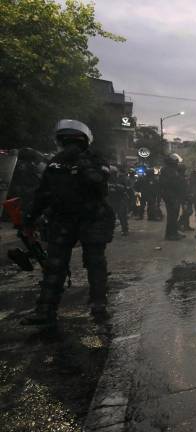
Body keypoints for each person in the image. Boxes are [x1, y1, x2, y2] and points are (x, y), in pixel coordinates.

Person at [20, 119, 114, 326]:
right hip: (81, 219)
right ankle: (97, 306)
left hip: (77, 219)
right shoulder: (62, 162)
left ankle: (47, 310)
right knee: (91, 264)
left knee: (60, 265)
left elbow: (42, 195)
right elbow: (44, 193)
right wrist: (29, 219)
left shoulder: (68, 161)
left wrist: (29, 219)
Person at [159, 153, 186, 240]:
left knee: (174, 215)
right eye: (176, 161)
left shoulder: (171, 169)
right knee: (172, 216)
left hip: (173, 195)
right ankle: (171, 235)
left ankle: (174, 232)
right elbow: (172, 183)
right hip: (171, 196)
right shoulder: (168, 170)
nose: (177, 163)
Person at [106, 165, 131, 236]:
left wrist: (115, 186)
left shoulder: (122, 178)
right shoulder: (107, 179)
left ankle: (125, 230)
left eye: (112, 173)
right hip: (111, 199)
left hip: (121, 199)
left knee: (122, 215)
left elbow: (126, 188)